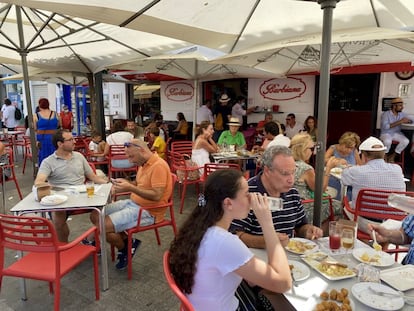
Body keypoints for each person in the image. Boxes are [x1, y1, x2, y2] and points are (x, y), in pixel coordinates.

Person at [169, 169, 292, 311]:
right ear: (228, 203)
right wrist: (267, 224)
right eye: (246, 194)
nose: (251, 198)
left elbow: (251, 279)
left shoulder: (199, 228)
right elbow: (283, 284)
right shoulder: (224, 242)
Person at [90, 138, 172, 270]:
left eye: (131, 156)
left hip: (149, 211)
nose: (129, 160)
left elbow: (157, 196)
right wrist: (127, 183)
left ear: (142, 151)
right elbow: (140, 185)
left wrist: (130, 188)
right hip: (134, 202)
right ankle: (129, 243)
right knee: (96, 214)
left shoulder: (158, 166)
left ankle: (125, 249)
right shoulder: (144, 163)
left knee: (102, 226)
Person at [230, 145, 323, 249]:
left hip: (289, 258)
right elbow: (235, 235)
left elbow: (300, 226)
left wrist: (308, 230)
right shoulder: (247, 193)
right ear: (267, 171)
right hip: (255, 259)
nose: (291, 179)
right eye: (285, 174)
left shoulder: (292, 193)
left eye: (293, 172)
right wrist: (267, 241)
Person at [34, 129, 108, 242]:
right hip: (61, 200)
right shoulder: (48, 162)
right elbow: (39, 182)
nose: (74, 142)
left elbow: (93, 177)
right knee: (58, 219)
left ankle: (91, 239)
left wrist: (108, 184)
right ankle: (64, 248)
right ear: (60, 144)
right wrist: (51, 187)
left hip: (83, 196)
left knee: (103, 213)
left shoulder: (79, 156)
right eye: (70, 140)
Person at [341, 136, 406, 233]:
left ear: (364, 156)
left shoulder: (357, 171)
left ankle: (361, 241)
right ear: (383, 154)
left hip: (367, 222)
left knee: (346, 205)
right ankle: (383, 243)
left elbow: (344, 179)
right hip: (393, 223)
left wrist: (353, 167)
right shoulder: (397, 169)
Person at [290, 133, 342, 226]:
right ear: (303, 149)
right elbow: (320, 190)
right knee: (338, 206)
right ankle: (321, 234)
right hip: (303, 208)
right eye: (311, 149)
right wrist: (328, 168)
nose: (312, 152)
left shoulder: (288, 163)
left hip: (290, 205)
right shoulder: (305, 169)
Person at [380, 97, 414, 163]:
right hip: (386, 133)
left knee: (406, 141)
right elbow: (385, 127)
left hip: (396, 133)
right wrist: (400, 121)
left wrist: (409, 121)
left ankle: (393, 156)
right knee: (387, 141)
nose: (402, 107)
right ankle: (385, 156)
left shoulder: (401, 114)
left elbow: (412, 119)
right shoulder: (386, 114)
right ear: (394, 106)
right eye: (400, 106)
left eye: (402, 105)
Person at [34, 98, 61, 165]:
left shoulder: (36, 116)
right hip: (54, 138)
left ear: (39, 105)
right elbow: (59, 125)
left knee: (43, 157)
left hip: (42, 140)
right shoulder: (56, 114)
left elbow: (35, 128)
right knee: (55, 156)